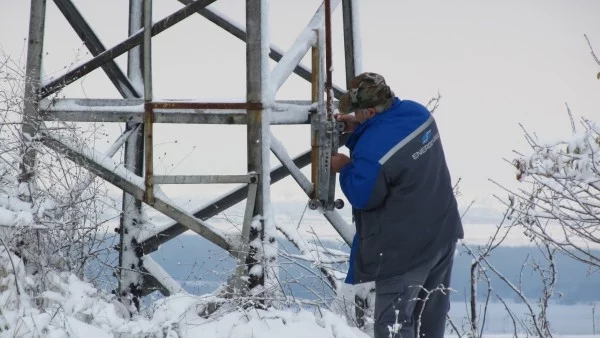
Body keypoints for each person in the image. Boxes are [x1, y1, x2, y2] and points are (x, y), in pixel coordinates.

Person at [331, 72, 464, 338]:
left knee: (392, 327)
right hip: (442, 235)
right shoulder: (418, 114)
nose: (353, 116)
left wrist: (344, 168)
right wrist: (359, 129)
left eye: (357, 113)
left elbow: (363, 195)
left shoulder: (373, 147)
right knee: (430, 323)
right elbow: (390, 147)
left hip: (403, 253)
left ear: (370, 111)